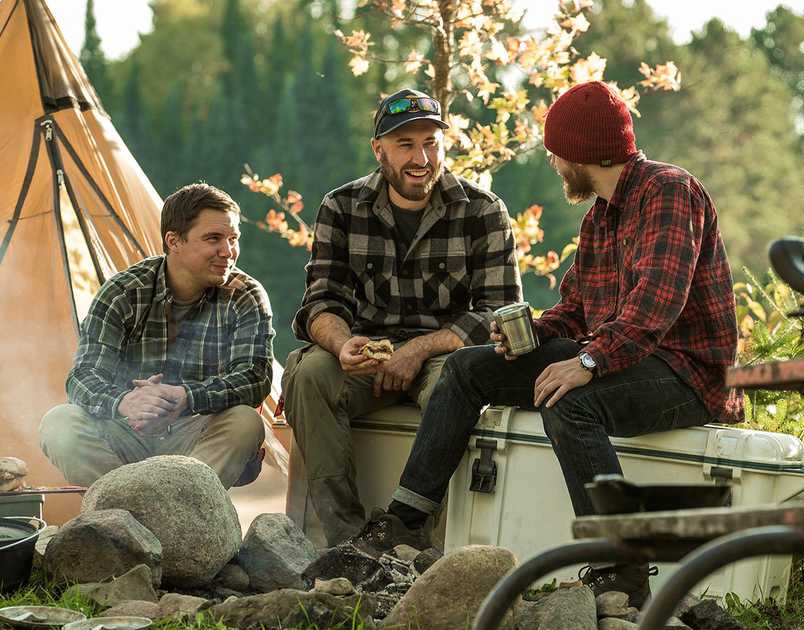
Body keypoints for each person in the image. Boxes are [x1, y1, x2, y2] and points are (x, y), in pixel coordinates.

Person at [357, 81, 745, 607]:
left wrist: (587, 361)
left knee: (572, 401)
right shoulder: (600, 216)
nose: (554, 163)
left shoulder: (669, 191)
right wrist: (532, 336)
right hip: (623, 357)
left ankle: (622, 568)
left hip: (687, 373)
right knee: (470, 367)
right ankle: (403, 524)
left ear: (583, 152)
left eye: (556, 152)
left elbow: (656, 303)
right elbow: (575, 310)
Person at [281, 88, 522, 546]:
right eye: (405, 144)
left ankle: (417, 546)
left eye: (431, 142)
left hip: (443, 358)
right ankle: (345, 542)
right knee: (309, 373)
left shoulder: (484, 210)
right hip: (364, 353)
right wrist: (341, 344)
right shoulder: (340, 206)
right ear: (379, 150)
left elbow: (497, 310)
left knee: (456, 391)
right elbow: (320, 302)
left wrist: (417, 350)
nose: (421, 157)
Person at [40, 183, 273, 489]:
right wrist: (126, 402)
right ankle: (130, 500)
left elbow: (255, 377)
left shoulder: (245, 294)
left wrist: (185, 397)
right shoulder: (122, 292)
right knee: (58, 423)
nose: (228, 252)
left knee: (245, 421)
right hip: (127, 433)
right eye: (214, 238)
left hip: (196, 435)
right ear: (174, 240)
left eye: (233, 239)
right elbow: (83, 376)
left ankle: (183, 499)